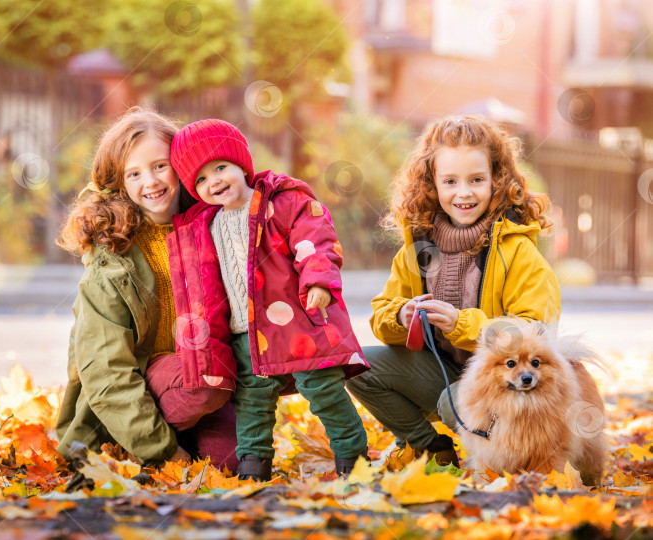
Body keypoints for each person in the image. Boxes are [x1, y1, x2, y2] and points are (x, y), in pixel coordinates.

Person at [346, 115, 560, 466]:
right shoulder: (418, 246)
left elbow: (533, 331)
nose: (464, 192)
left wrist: (463, 324)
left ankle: (502, 453)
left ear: (497, 180)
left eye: (477, 179)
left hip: (503, 380)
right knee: (357, 366)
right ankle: (430, 448)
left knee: (453, 401)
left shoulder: (518, 250)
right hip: (440, 371)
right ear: (432, 184)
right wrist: (401, 314)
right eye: (450, 181)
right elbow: (381, 313)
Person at [167, 119, 370, 481]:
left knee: (322, 390)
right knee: (253, 400)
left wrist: (318, 279)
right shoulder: (204, 225)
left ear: (241, 164)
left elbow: (315, 239)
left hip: (298, 322)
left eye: (220, 168)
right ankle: (253, 464)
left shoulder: (282, 202)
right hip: (244, 333)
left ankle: (352, 457)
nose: (213, 181)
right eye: (200, 179)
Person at [55, 108, 238, 472]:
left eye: (159, 166)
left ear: (181, 165)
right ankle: (140, 441)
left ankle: (178, 434)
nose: (150, 182)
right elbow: (107, 371)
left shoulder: (213, 224)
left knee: (230, 466)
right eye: (133, 173)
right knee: (203, 378)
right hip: (141, 385)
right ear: (118, 183)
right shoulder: (112, 258)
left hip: (203, 386)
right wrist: (167, 455)